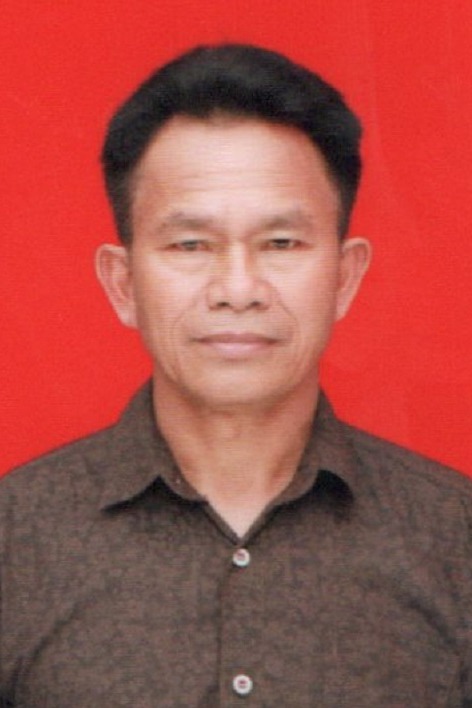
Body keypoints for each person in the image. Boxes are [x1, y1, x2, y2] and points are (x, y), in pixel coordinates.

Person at [1, 44, 471, 708]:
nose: (238, 289)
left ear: (344, 277)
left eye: (281, 243)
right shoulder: (14, 538)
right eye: (191, 245)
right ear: (123, 282)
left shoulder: (455, 537)